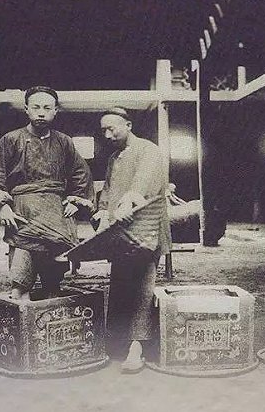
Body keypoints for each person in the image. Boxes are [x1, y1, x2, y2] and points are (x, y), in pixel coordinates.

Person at [0, 86, 94, 300]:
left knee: (54, 280)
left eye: (47, 108)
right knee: (20, 279)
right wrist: (2, 207)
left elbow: (81, 173)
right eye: (36, 107)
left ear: (55, 111)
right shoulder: (11, 139)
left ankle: (51, 313)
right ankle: (21, 307)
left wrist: (76, 201)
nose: (41, 113)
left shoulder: (64, 141)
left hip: (56, 214)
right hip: (23, 212)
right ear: (26, 109)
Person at [92, 107, 171, 373]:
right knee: (120, 285)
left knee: (142, 289)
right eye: (103, 130)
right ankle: (116, 343)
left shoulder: (148, 150)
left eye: (112, 128)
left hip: (145, 229)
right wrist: (103, 210)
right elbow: (108, 190)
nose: (107, 134)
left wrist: (129, 200)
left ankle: (138, 347)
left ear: (128, 125)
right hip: (121, 231)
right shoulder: (114, 158)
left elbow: (144, 182)